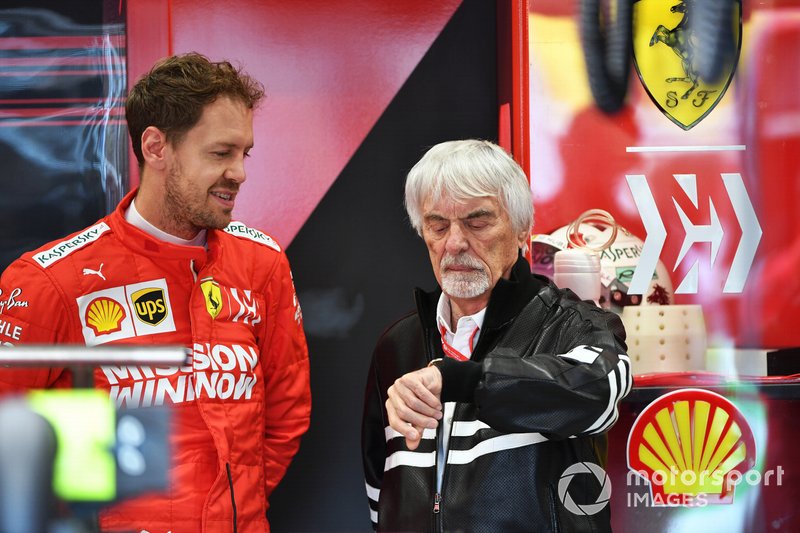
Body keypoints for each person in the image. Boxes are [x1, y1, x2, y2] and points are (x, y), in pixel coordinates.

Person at [0, 53, 311, 532]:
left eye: (244, 153)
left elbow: (285, 417)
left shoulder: (262, 264)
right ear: (156, 147)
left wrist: (230, 510)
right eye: (220, 153)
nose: (239, 173)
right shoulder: (48, 281)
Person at [361, 139, 631, 532]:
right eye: (438, 225)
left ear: (523, 230)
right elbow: (379, 488)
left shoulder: (573, 324)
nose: (454, 243)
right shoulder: (398, 345)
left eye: (477, 221)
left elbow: (601, 394)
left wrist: (462, 381)